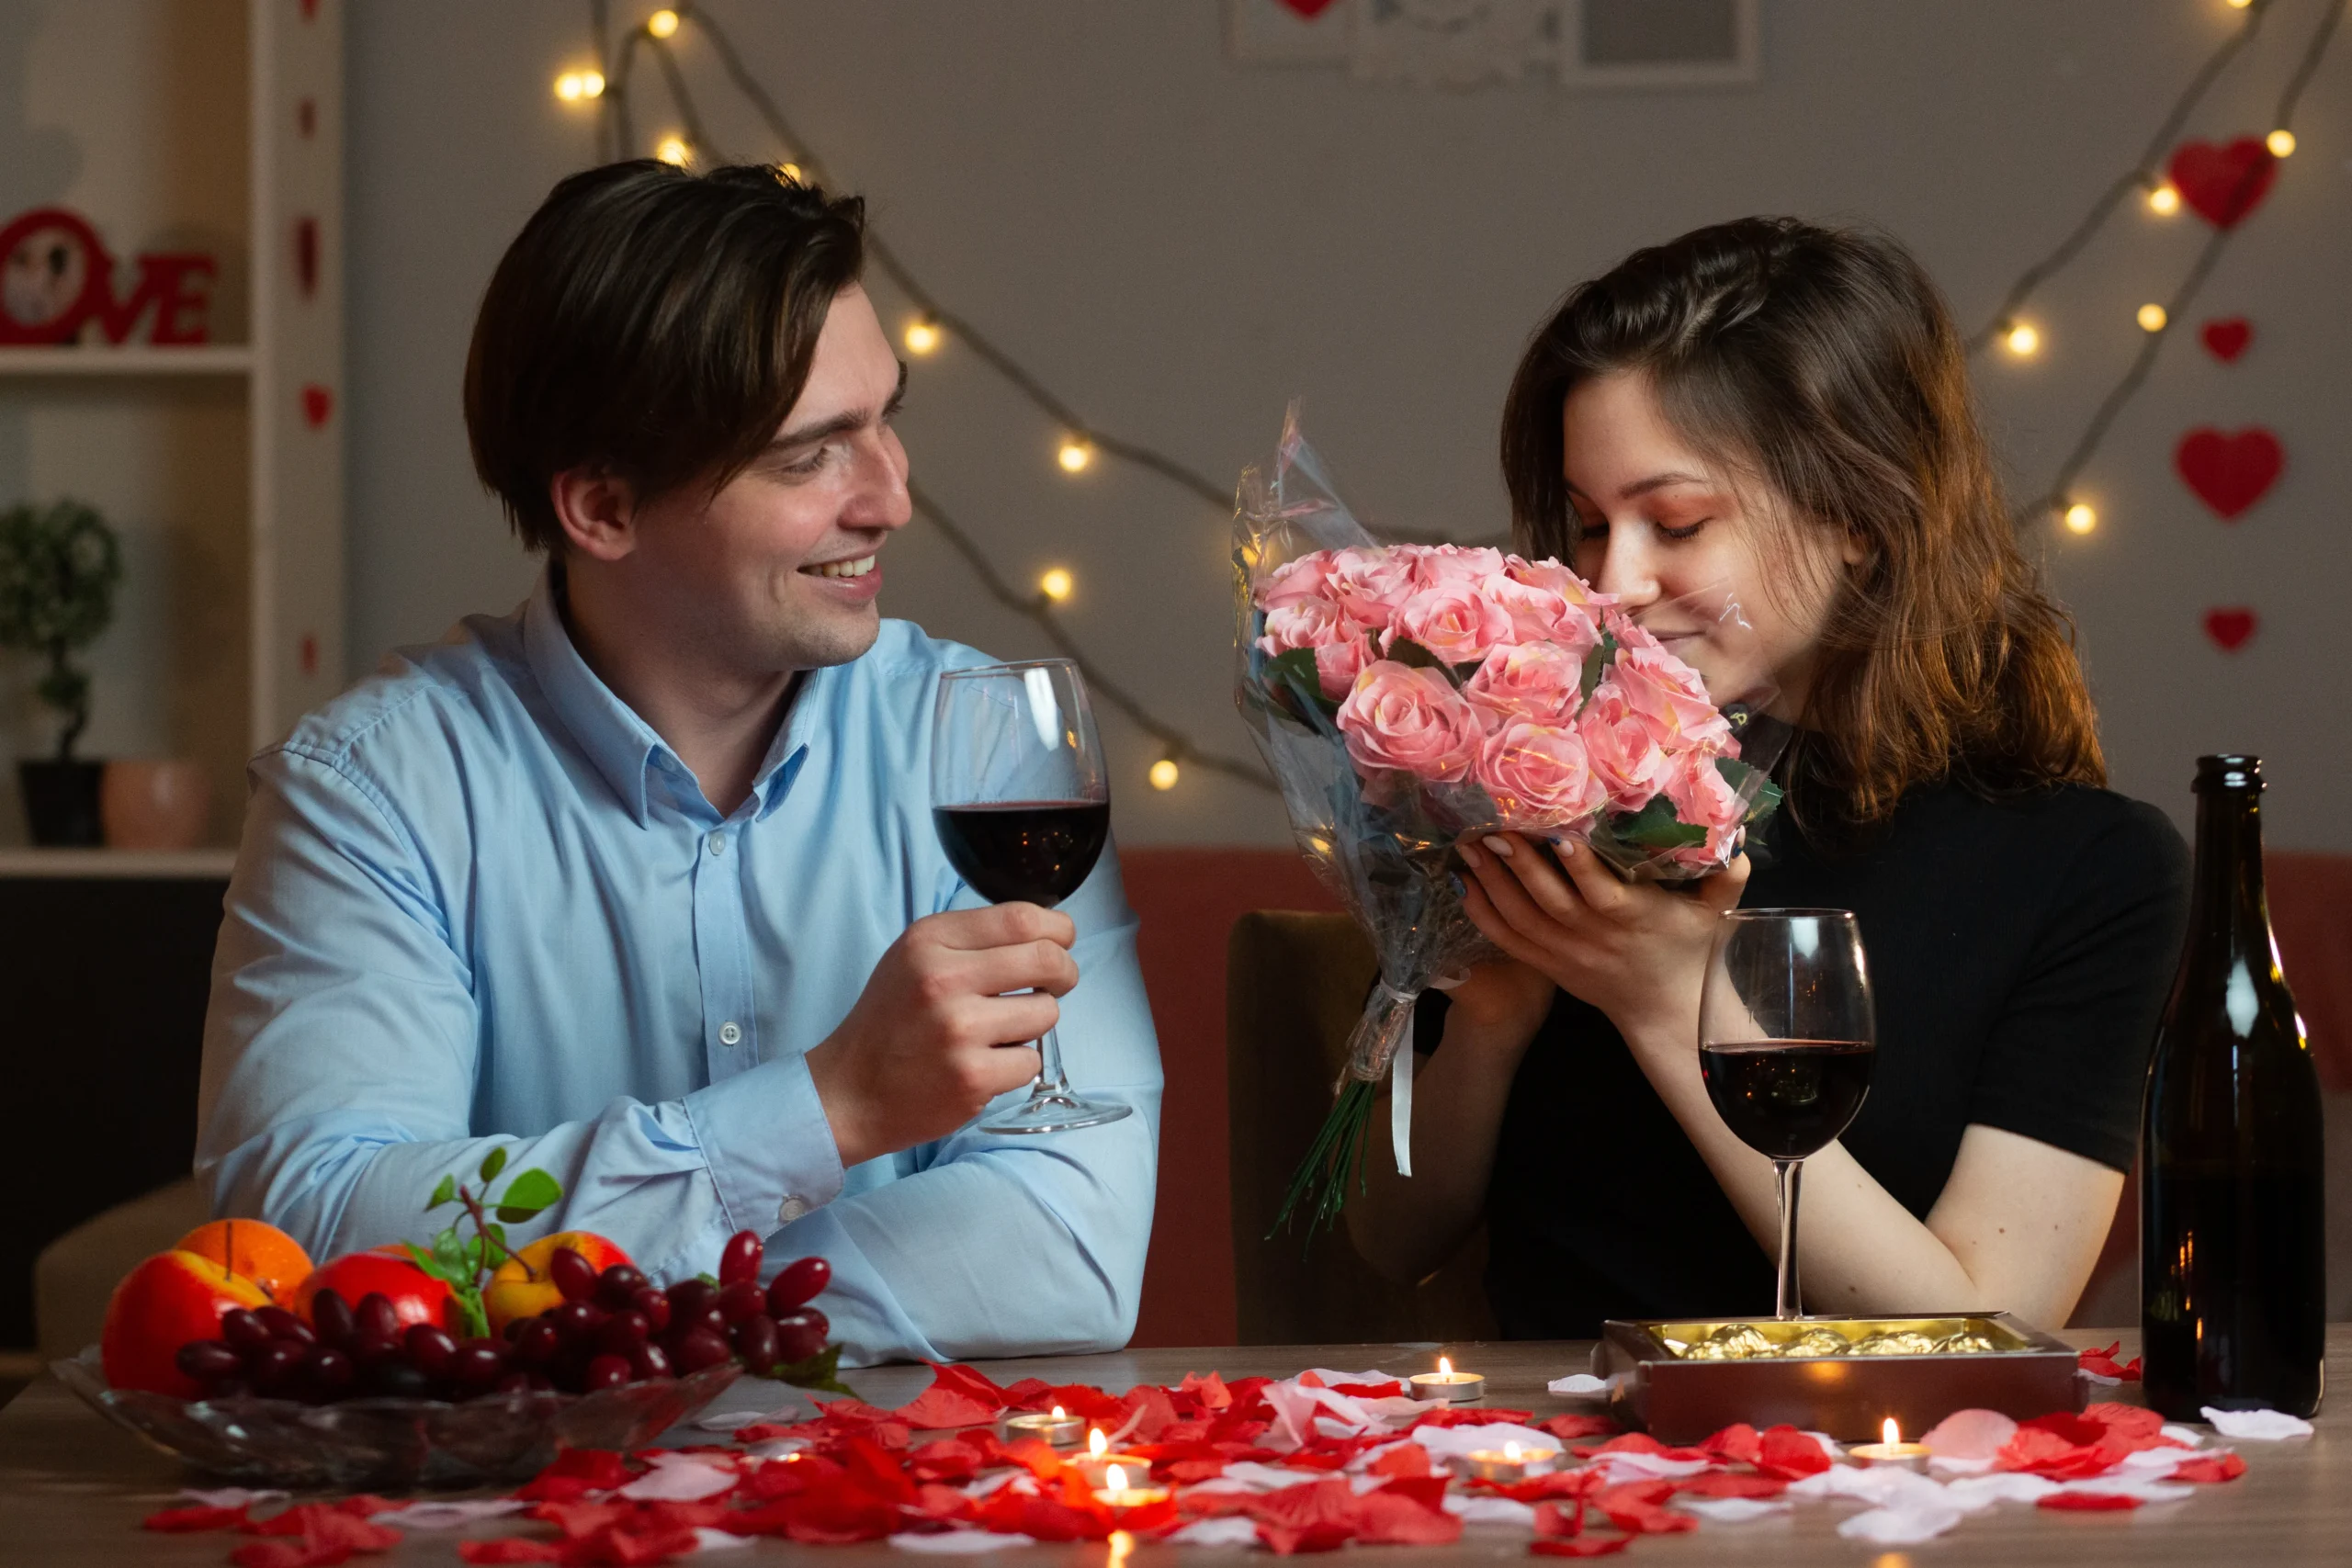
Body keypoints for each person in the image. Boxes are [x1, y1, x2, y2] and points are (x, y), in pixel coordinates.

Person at [196, 162, 1162, 1365]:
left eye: (886, 419)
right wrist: (824, 1110)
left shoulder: (993, 749)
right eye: (813, 453)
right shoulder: (370, 794)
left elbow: (1068, 1240)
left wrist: (646, 1312)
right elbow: (311, 1232)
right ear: (602, 507)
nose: (893, 497)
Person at [1345, 218, 2188, 1337]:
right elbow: (1390, 1241)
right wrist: (1492, 1022)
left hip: (1897, 1487)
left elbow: (1981, 1332)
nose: (1615, 582)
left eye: (1677, 522)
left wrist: (1664, 1005)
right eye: (1591, 525)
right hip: (1551, 1476)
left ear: (1857, 515)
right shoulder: (1548, 791)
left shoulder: (2094, 872)